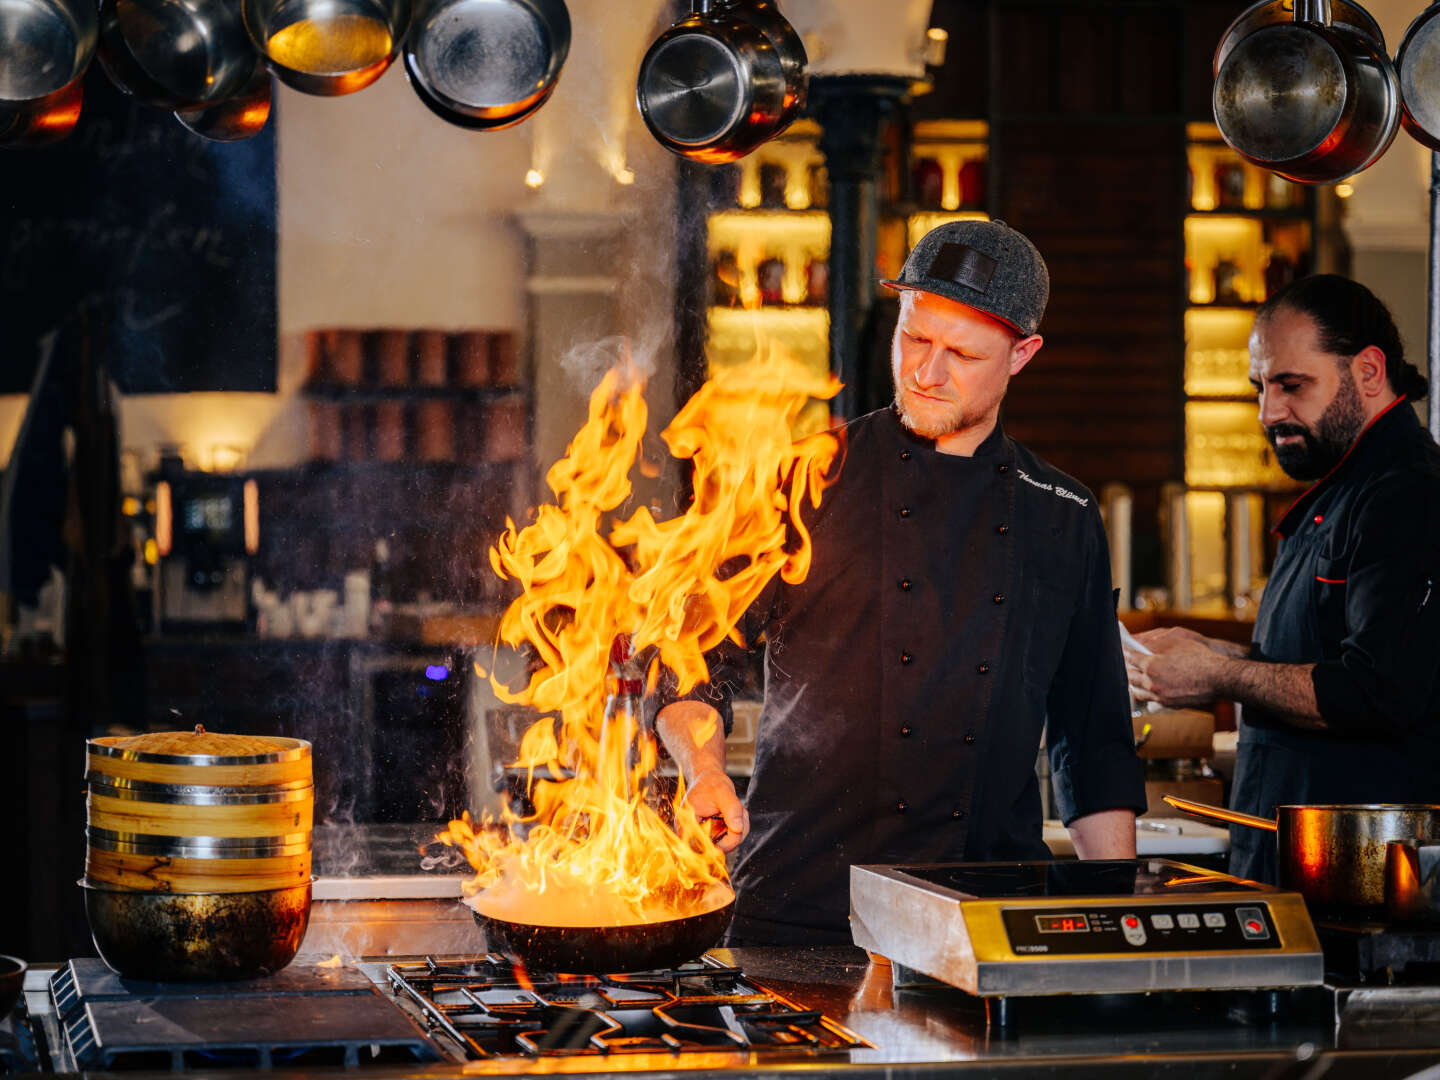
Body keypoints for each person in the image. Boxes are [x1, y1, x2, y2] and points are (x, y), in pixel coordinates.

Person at [656, 219, 1147, 946]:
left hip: (986, 917)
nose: (927, 372)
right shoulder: (802, 480)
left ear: (1022, 355)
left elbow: (1094, 740)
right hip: (802, 908)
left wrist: (1119, 927)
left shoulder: (1063, 516)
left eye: (962, 354)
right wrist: (702, 769)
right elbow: (692, 660)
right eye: (915, 339)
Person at [1125, 274, 1440, 887]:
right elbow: (1327, 658)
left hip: (1359, 886)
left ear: (1369, 372)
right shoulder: (1342, 484)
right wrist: (1226, 654)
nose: (1270, 412)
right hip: (1294, 870)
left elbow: (1376, 691)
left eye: (1292, 386)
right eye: (1261, 388)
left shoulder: (1407, 494)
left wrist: (1219, 675)